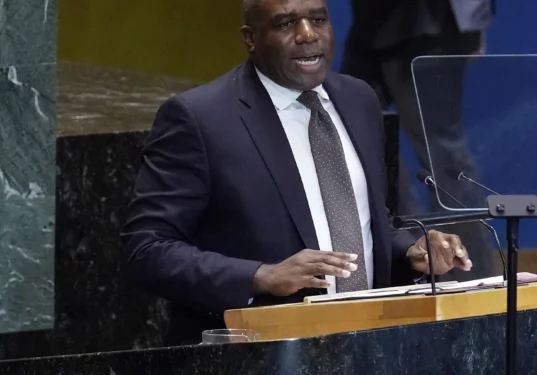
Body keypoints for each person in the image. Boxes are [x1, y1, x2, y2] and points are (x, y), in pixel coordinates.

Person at [121, 0, 474, 346]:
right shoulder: (200, 119)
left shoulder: (359, 99)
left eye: (318, 20)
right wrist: (261, 276)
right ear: (250, 39)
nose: (308, 35)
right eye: (286, 24)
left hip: (369, 346)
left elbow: (367, 221)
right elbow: (147, 249)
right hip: (257, 352)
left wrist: (409, 250)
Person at [340, 0, 500, 281]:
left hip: (428, 22)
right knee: (370, 145)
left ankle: (474, 279)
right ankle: (417, 261)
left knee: (443, 153)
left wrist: (474, 18)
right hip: (371, 24)